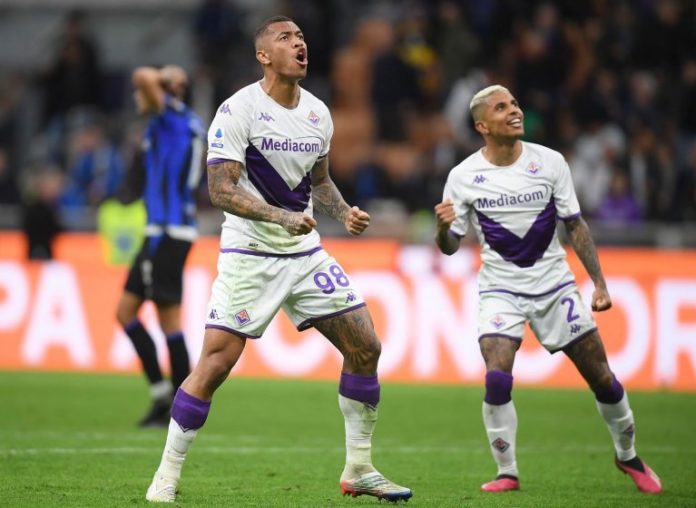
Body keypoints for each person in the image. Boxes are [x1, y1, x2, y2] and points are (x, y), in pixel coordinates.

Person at [144, 16, 412, 504]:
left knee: (366, 345)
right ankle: (165, 476)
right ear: (264, 55)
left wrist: (343, 211)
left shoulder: (318, 114)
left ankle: (359, 468)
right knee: (216, 363)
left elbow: (320, 181)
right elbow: (220, 189)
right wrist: (279, 217)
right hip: (250, 252)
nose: (300, 44)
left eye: (303, 38)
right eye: (286, 39)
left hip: (305, 253)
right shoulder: (238, 109)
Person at [434, 85, 662, 494]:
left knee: (603, 379)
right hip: (500, 290)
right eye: (502, 108)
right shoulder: (463, 176)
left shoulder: (550, 162)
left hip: (556, 286)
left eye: (515, 103)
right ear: (483, 125)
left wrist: (599, 284)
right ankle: (507, 471)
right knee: (497, 377)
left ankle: (628, 455)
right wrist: (441, 228)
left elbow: (575, 224)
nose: (514, 111)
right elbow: (450, 246)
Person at [116, 65, 206, 428]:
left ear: (163, 92)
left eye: (145, 94)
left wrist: (163, 77)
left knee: (169, 319)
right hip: (158, 232)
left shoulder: (171, 117)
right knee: (125, 312)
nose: (138, 97)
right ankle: (160, 395)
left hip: (169, 232)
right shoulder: (179, 121)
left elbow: (139, 75)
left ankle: (179, 407)